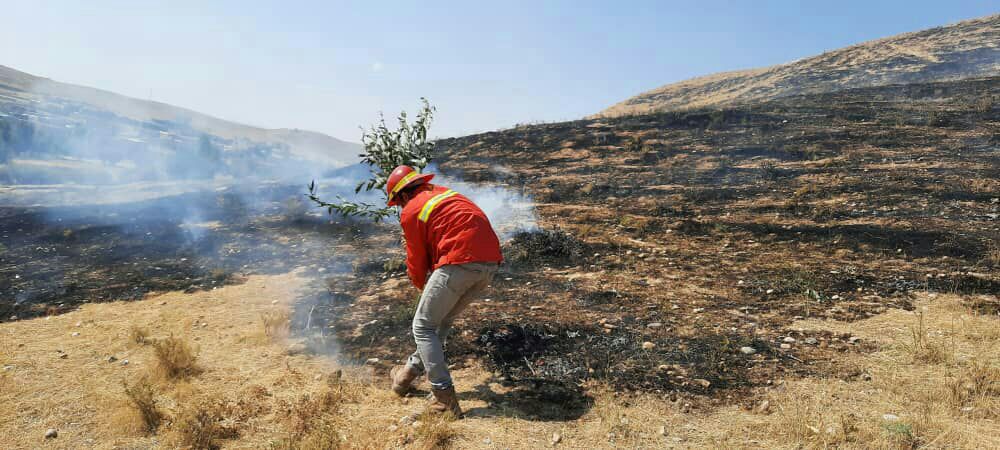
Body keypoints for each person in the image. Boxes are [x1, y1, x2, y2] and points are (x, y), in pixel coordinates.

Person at [384, 165, 503, 417]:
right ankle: (405, 377)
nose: (399, 208)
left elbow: (416, 258)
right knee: (440, 324)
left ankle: (443, 401)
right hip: (489, 264)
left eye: (397, 203)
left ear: (403, 195)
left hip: (459, 262)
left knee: (423, 326)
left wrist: (419, 285)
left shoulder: (411, 210)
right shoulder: (446, 194)